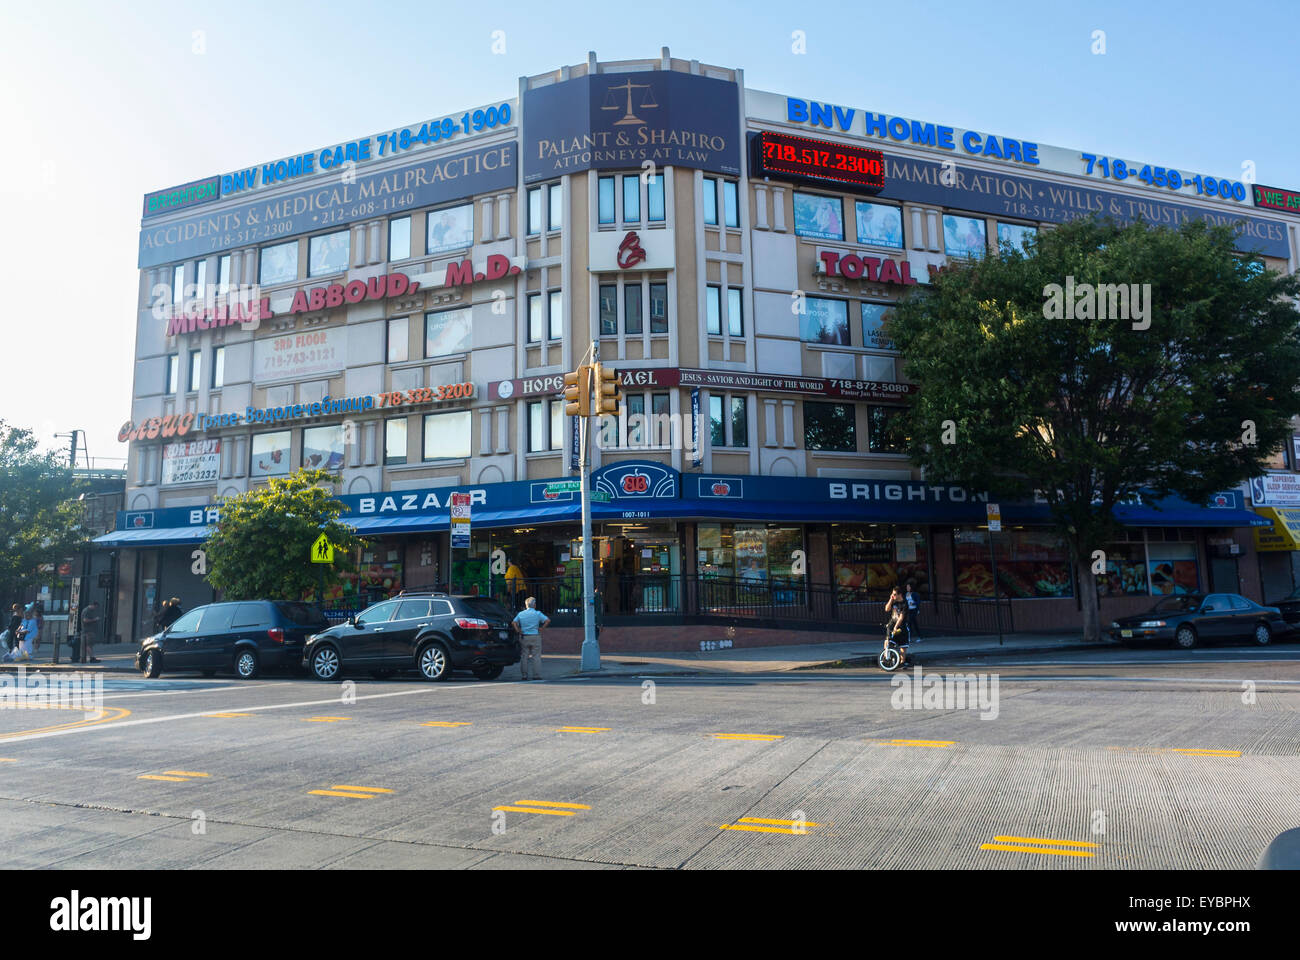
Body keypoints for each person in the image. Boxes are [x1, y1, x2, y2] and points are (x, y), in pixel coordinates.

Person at [511, 596, 550, 682]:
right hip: (535, 636)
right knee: (536, 657)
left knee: (524, 656)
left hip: (524, 636)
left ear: (526, 605)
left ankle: (524, 675)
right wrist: (542, 628)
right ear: (534, 605)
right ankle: (536, 675)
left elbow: (514, 622)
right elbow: (547, 620)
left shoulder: (521, 614)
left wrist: (518, 630)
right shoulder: (538, 613)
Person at [883, 587, 910, 667]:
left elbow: (901, 617)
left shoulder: (905, 604)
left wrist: (896, 627)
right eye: (892, 594)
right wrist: (891, 599)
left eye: (894, 594)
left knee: (903, 646)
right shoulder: (894, 602)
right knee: (887, 642)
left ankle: (902, 662)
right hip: (892, 625)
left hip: (901, 626)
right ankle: (886, 660)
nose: (893, 595)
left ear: (899, 595)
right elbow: (887, 609)